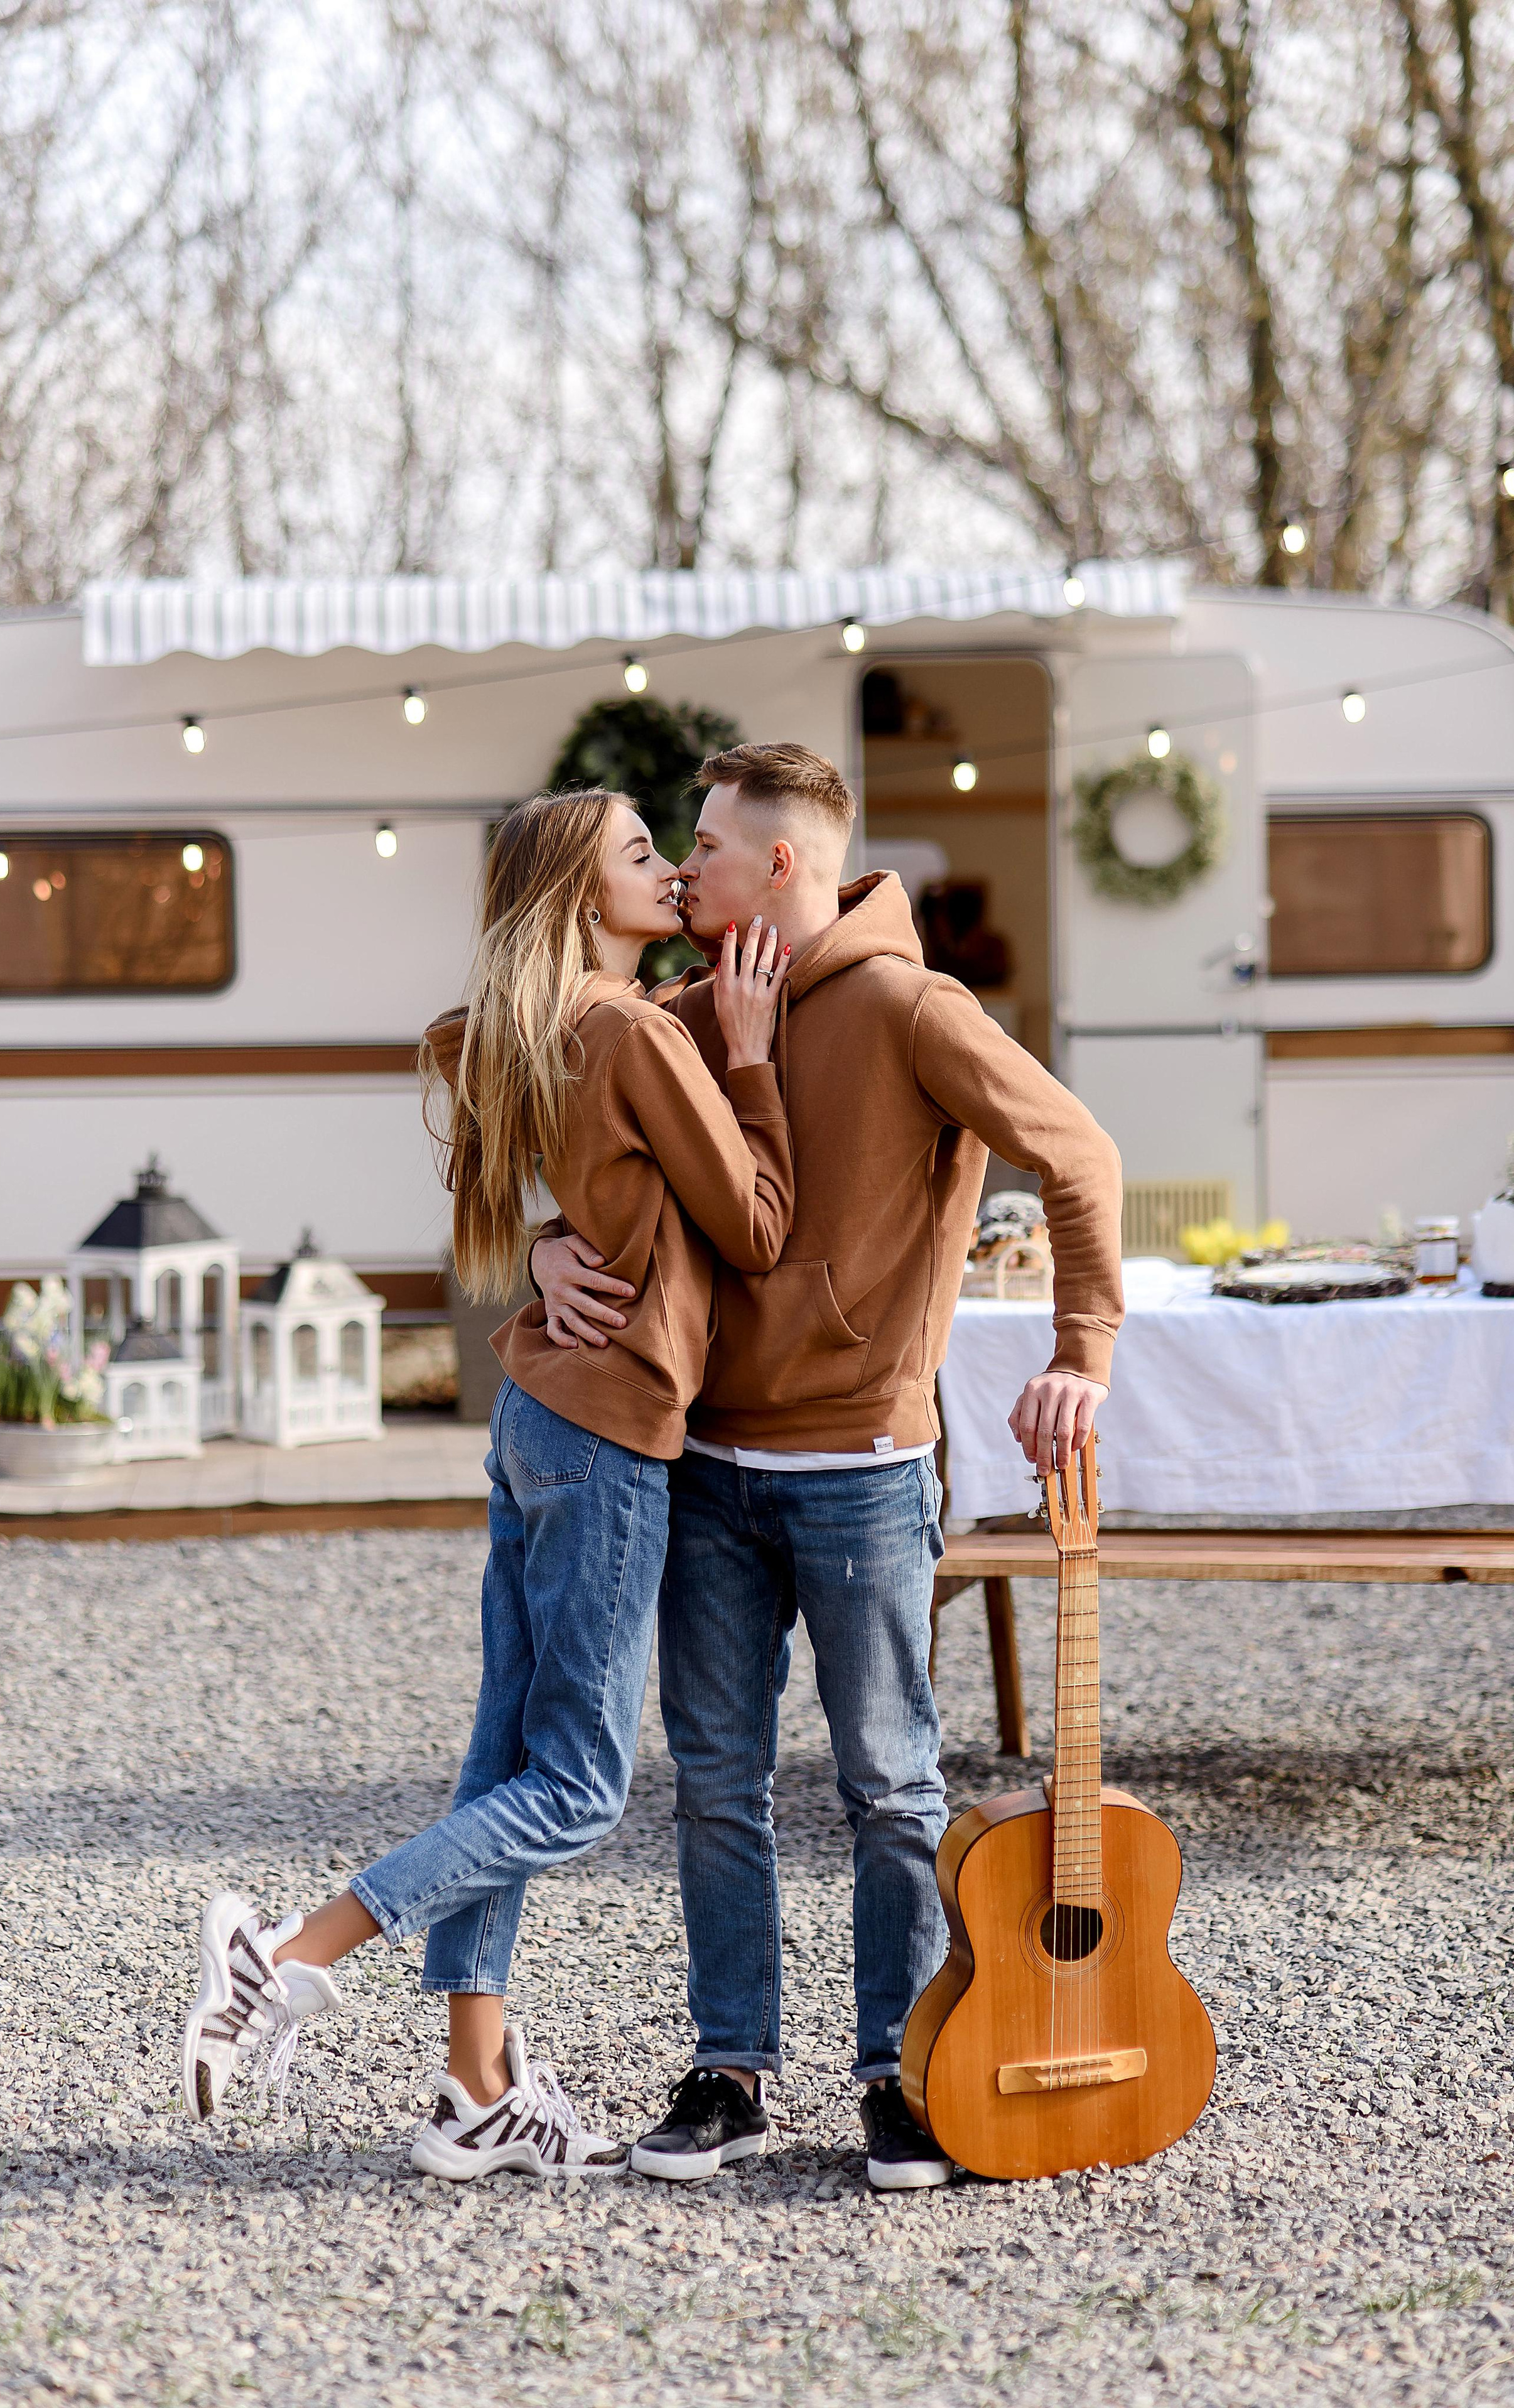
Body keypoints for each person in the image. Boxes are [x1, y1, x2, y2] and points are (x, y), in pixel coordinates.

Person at [532, 741, 1123, 2191]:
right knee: (716, 1785)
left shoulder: (916, 1010)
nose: (685, 866)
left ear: (779, 866)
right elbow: (555, 1153)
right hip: (706, 1467)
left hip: (861, 1466)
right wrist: (541, 1255)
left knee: (888, 1787)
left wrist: (1078, 1352)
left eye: (710, 845)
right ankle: (729, 2072)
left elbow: (1081, 1155)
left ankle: (898, 2075)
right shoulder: (679, 1013)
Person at [180, 786, 794, 2179]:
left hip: (532, 1420)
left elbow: (471, 1055)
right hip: (609, 1432)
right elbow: (756, 1228)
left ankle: (475, 2089)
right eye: (640, 857)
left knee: (501, 1761)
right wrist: (748, 1057)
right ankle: (286, 1955)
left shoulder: (535, 1026)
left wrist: (540, 1244)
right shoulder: (633, 1028)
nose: (667, 874)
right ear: (585, 902)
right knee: (576, 1787)